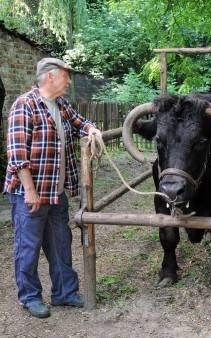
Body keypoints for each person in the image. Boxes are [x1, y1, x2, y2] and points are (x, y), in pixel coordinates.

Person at [3, 57, 101, 318]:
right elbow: (17, 154)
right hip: (30, 193)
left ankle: (64, 293)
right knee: (28, 247)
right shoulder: (25, 105)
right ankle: (30, 297)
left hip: (56, 192)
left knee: (61, 243)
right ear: (51, 77)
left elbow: (80, 122)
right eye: (66, 76)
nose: (69, 81)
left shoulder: (60, 104)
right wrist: (30, 190)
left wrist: (92, 130)